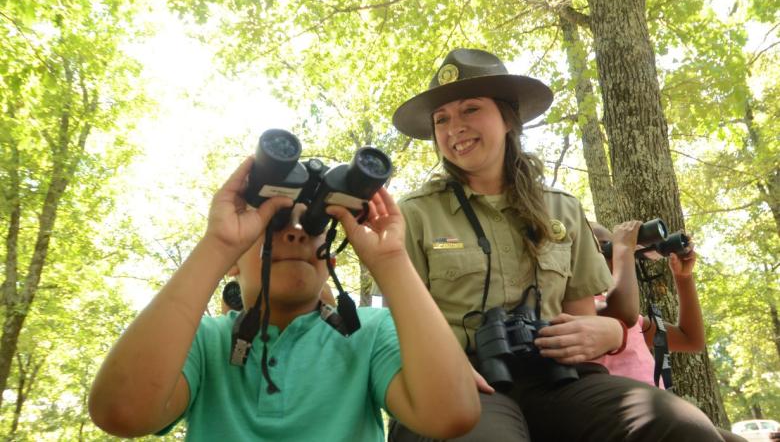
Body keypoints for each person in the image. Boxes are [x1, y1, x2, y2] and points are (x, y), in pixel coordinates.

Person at [388, 48, 730, 441]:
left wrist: (610, 334)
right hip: (465, 378)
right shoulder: (415, 214)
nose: (454, 128)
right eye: (441, 119)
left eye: (470, 110)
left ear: (507, 117)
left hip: (558, 376)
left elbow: (580, 319)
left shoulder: (561, 209)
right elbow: (397, 327)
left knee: (682, 425)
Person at [88, 156, 480, 440]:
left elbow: (452, 415)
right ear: (232, 264)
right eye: (274, 224)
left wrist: (392, 261)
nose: (295, 233)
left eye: (313, 225)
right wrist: (217, 243)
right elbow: (120, 412)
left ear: (330, 261)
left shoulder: (369, 332)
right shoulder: (205, 341)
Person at [592, 222, 746, 442]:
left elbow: (690, 339)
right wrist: (624, 248)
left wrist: (684, 278)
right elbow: (620, 311)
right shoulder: (585, 308)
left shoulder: (633, 319)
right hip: (627, 420)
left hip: (661, 413)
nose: (616, 252)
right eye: (608, 247)